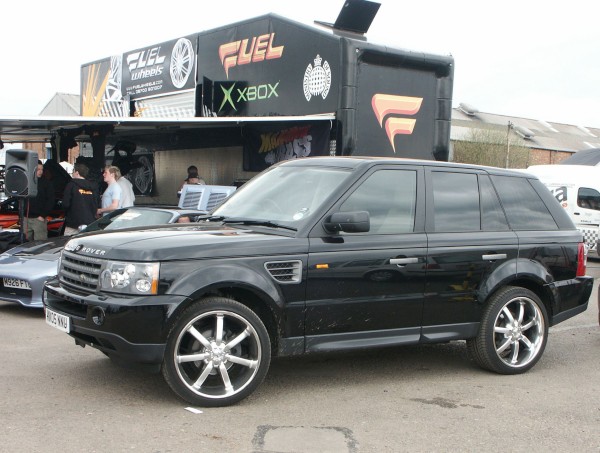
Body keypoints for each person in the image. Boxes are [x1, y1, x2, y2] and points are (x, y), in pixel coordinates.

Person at [62, 162, 98, 236]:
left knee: (68, 244)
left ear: (77, 173)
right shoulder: (93, 187)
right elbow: (96, 204)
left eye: (73, 171)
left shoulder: (71, 185)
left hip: (73, 223)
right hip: (89, 223)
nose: (72, 173)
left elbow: (65, 204)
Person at [25, 161, 55, 241]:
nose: (40, 171)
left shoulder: (46, 183)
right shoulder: (26, 182)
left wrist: (43, 215)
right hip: (26, 218)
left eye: (42, 169)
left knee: (40, 244)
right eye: (38, 169)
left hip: (39, 218)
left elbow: (51, 200)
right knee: (24, 244)